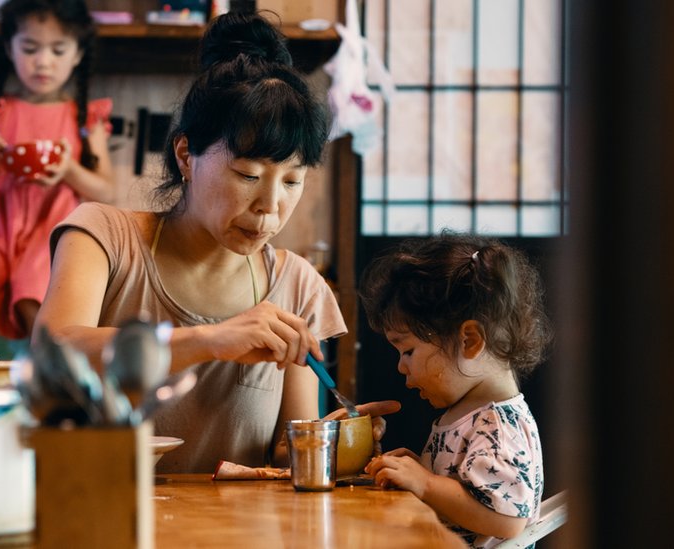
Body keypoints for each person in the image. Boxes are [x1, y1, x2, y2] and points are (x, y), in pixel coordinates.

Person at [35, 11, 398, 474]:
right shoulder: (103, 238)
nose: (270, 206)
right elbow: (53, 356)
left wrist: (335, 444)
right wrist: (210, 340)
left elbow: (285, 454)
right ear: (186, 155)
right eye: (248, 174)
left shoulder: (297, 286)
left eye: (291, 180)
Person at [0, 0, 113, 359]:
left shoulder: (84, 116)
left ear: (77, 54)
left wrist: (69, 171)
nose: (43, 61)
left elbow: (107, 190)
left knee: (38, 305)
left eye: (58, 50)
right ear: (9, 49)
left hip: (52, 236)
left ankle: (48, 389)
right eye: (30, 49)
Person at [359, 234, 553, 549]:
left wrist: (426, 484)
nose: (400, 367)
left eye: (407, 351)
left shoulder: (498, 426)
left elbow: (507, 519)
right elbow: (465, 492)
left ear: (470, 340)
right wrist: (420, 471)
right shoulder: (470, 413)